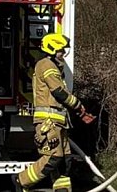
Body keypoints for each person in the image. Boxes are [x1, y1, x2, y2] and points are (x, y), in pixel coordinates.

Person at [14, 33, 96, 192]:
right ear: (51, 49)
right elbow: (59, 92)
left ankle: (62, 188)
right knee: (53, 157)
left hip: (58, 121)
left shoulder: (53, 66)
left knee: (65, 159)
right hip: (48, 122)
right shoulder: (46, 65)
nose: (63, 53)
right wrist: (78, 106)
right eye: (61, 50)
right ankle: (21, 180)